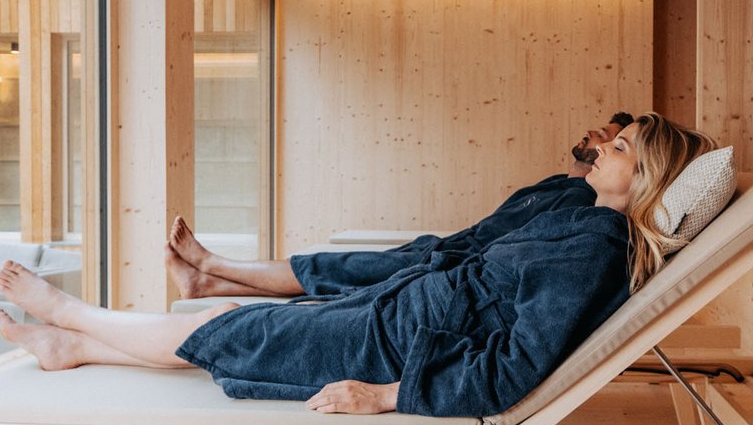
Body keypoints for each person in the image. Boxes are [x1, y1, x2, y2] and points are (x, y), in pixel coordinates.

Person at [0, 112, 718, 418]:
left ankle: (70, 314)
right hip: (411, 311)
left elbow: (515, 370)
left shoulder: (595, 246)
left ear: (647, 180)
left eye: (621, 151)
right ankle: (75, 345)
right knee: (252, 332)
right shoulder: (580, 218)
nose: (602, 149)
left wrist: (385, 396)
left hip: (402, 346)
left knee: (233, 329)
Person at [166, 111, 637, 300]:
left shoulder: (583, 204)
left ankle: (213, 265)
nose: (591, 138)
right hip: (451, 247)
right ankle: (207, 283)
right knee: (345, 273)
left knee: (341, 269)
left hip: (453, 264)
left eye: (607, 140)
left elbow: (519, 252)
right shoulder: (566, 183)